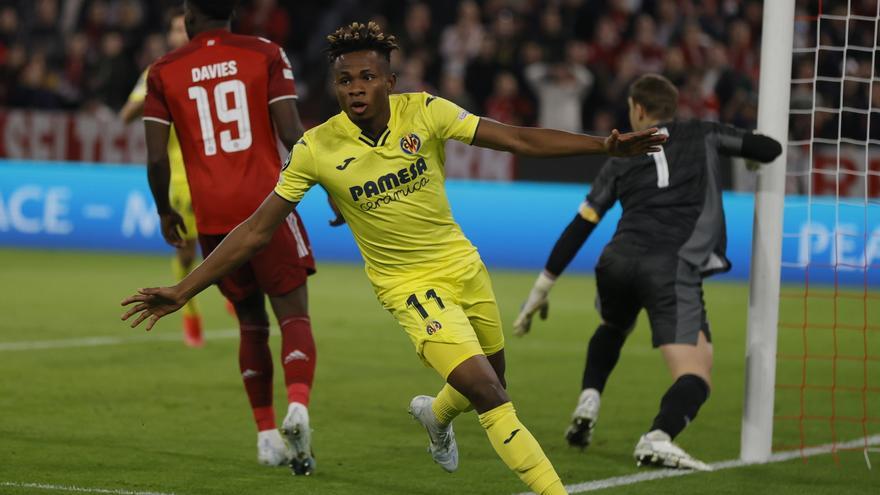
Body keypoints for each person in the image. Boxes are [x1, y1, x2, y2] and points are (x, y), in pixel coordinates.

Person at [122, 21, 664, 494]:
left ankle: (436, 414)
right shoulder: (316, 148)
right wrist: (184, 289)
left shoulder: (425, 113)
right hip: (408, 287)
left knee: (491, 379)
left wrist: (604, 146)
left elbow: (518, 138)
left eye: (365, 78)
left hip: (464, 268)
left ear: (389, 81)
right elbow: (256, 231)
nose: (354, 89)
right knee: (490, 392)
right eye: (343, 81)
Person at [513, 74, 782, 471]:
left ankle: (590, 396)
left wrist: (541, 287)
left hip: (617, 261)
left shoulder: (621, 155)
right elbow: (769, 148)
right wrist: (750, 156)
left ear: (638, 109)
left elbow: (583, 222)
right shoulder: (704, 132)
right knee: (696, 371)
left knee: (613, 326)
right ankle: (658, 436)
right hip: (671, 265)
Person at [139, 0, 319, 473]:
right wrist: (333, 186)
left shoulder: (163, 70)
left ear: (190, 19)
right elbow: (292, 133)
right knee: (294, 316)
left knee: (250, 324)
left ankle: (264, 436)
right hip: (270, 207)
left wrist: (164, 210)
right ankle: (297, 406)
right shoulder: (265, 52)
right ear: (231, 15)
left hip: (215, 222)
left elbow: (156, 158)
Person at [119, 8, 203, 348]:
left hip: (220, 173)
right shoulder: (158, 72)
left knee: (235, 245)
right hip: (181, 178)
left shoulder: (213, 68)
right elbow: (126, 115)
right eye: (174, 31)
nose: (179, 37)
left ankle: (232, 291)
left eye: (185, 30)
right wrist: (152, 93)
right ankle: (190, 311)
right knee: (188, 252)